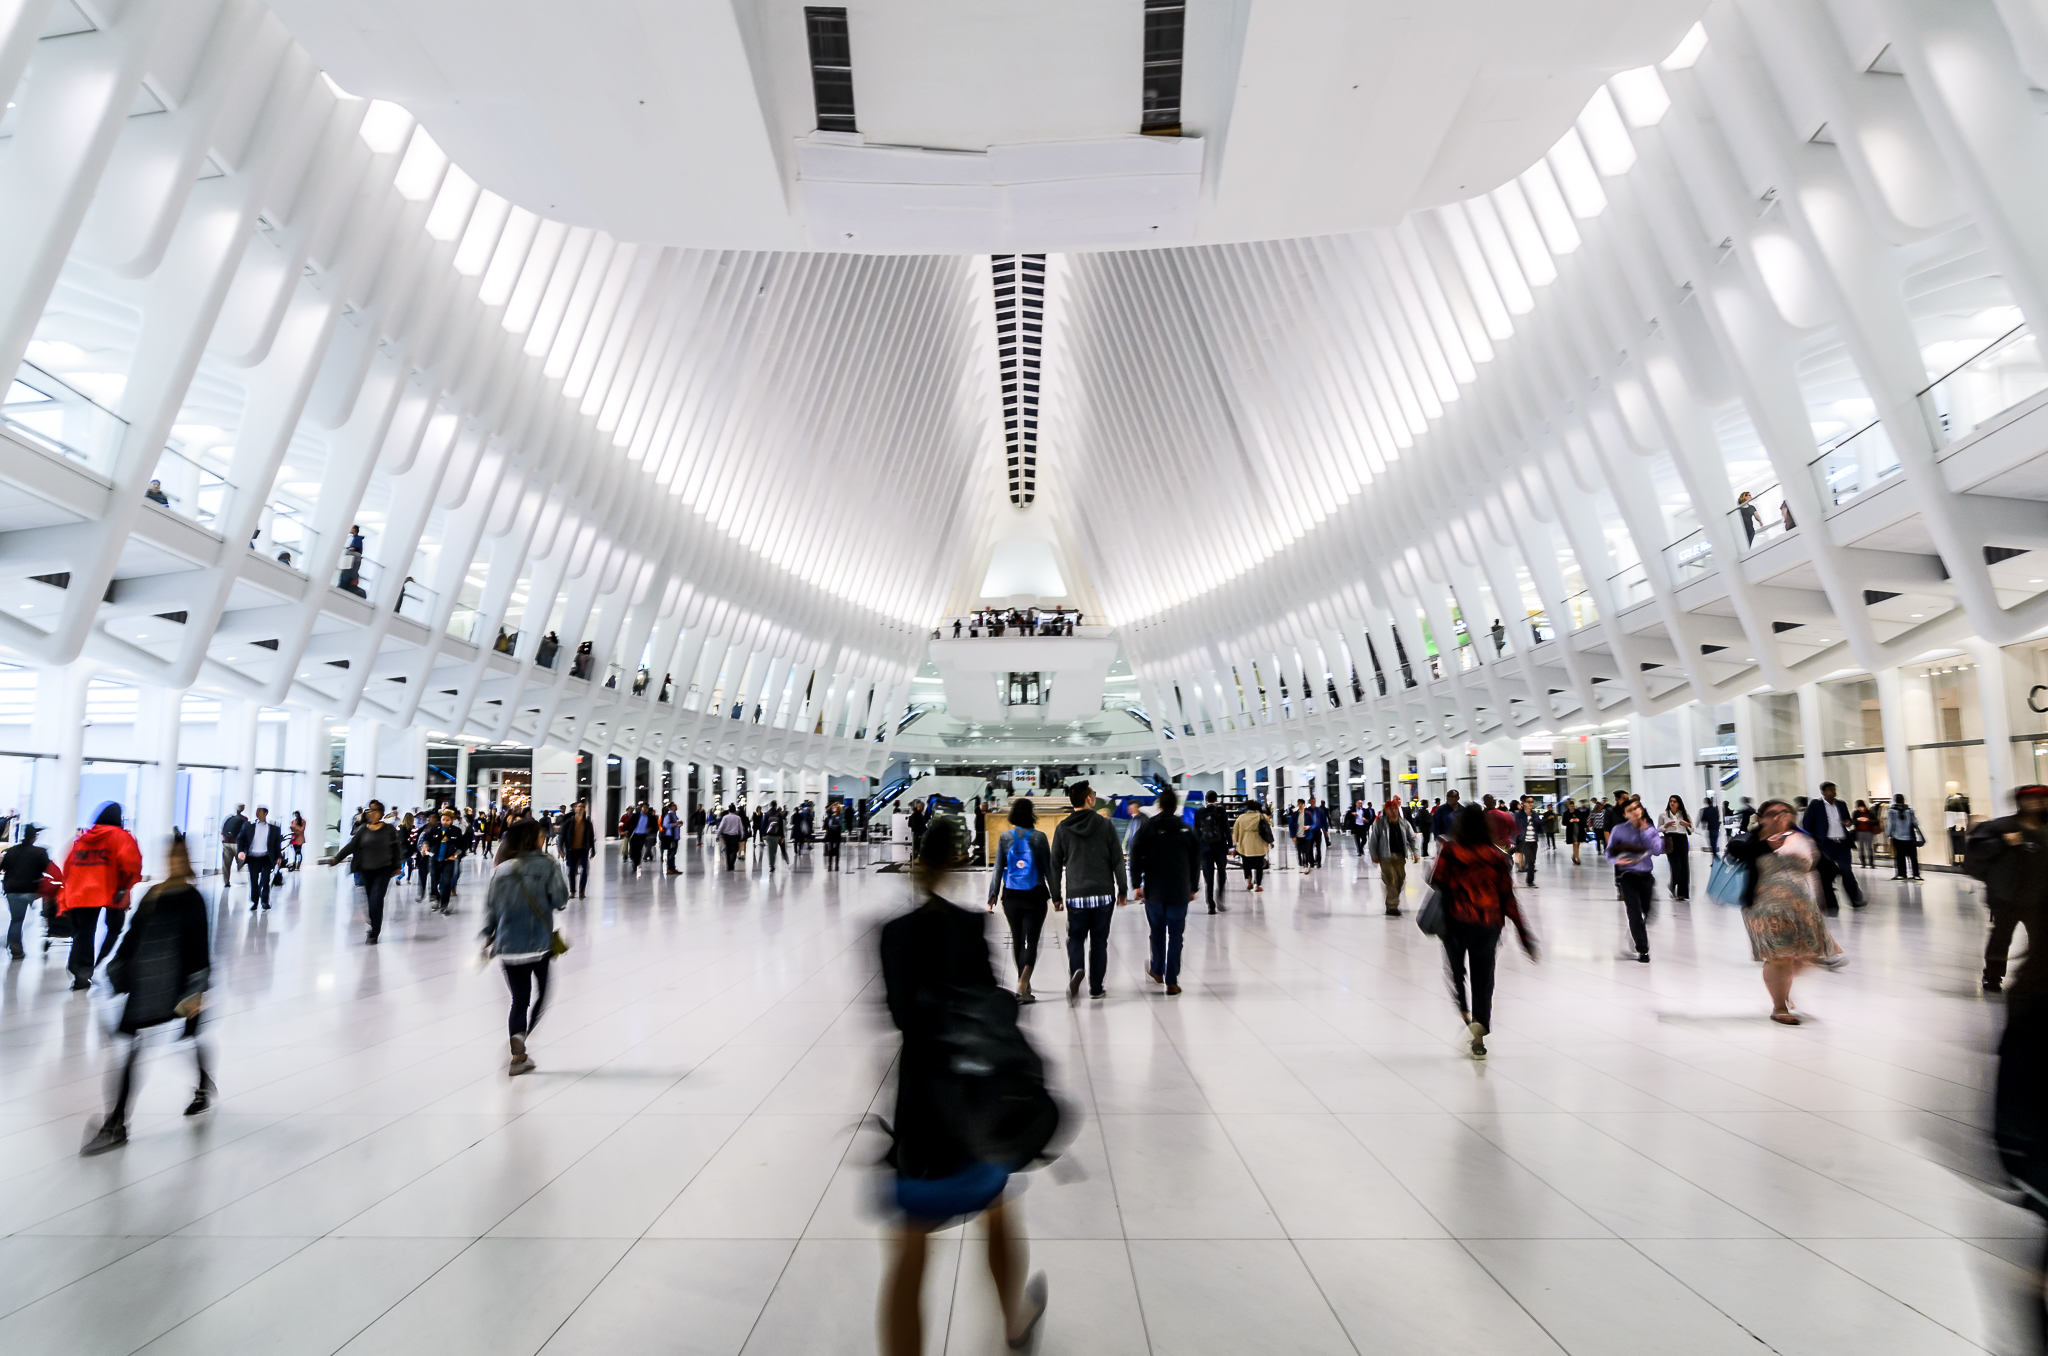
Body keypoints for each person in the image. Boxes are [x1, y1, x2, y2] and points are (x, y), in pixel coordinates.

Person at [878, 818, 1051, 1356]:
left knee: (911, 1244)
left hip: (921, 1106)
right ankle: (1014, 1321)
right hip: (975, 1102)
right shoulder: (969, 928)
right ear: (957, 861)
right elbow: (991, 1009)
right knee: (997, 1209)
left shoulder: (894, 934)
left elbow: (901, 1015)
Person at [80, 831, 213, 1155]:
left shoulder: (192, 898)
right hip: (146, 984)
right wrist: (117, 968)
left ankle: (201, 1088)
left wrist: (197, 989)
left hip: (178, 984)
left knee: (188, 1039)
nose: (175, 862)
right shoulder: (154, 893)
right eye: (171, 857)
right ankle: (117, 1122)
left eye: (180, 857)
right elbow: (132, 935)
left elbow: (199, 948)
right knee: (133, 1050)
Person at [1430, 805, 1538, 1059]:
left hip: (1456, 922)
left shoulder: (1451, 850)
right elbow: (1507, 897)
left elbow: (1437, 880)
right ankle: (1479, 1033)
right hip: (1488, 924)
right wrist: (1524, 934)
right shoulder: (1496, 856)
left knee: (1457, 971)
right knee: (1484, 978)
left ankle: (1464, 1012)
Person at [1726, 798, 1841, 1023]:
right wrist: (1766, 845)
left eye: (1784, 812)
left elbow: (1826, 867)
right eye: (1772, 813)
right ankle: (1779, 1007)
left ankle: (1782, 988)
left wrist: (1830, 895)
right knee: (1780, 957)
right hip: (1763, 906)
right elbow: (1735, 851)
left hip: (1801, 906)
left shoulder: (1802, 838)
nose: (1779, 816)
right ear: (1760, 818)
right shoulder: (1752, 839)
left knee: (1806, 955)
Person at [480, 819, 569, 1075]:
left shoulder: (502, 869)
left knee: (519, 1000)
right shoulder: (547, 864)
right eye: (540, 836)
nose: (543, 839)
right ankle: (522, 1035)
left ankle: (518, 1055)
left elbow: (492, 909)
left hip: (508, 945)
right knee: (543, 993)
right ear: (532, 838)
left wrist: (488, 934)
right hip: (538, 944)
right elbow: (561, 900)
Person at [1049, 781, 1129, 1000]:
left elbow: (1055, 864)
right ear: (1089, 800)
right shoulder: (1105, 825)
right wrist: (1122, 888)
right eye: (1093, 795)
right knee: (1099, 942)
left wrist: (1055, 895)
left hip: (1077, 894)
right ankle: (1096, 988)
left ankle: (1077, 969)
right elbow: (1117, 860)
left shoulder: (1063, 828)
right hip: (1104, 894)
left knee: (1075, 937)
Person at [1968, 786, 2048, 995]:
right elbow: (1975, 855)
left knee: (2040, 940)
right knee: (2001, 937)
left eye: (2041, 799)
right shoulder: (2002, 826)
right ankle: (1993, 977)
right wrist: (2003, 842)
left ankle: (2036, 976)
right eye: (2030, 799)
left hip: (2040, 898)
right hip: (2008, 897)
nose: (2036, 803)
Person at [59, 802, 143, 990]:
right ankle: (98, 962)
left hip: (80, 892)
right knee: (114, 929)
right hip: (110, 890)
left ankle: (80, 971)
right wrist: (124, 886)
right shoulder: (121, 836)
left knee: (83, 933)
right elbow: (131, 864)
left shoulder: (84, 837)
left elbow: (67, 865)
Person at [1128, 786, 1201, 995]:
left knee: (1157, 931)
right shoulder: (1186, 830)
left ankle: (1157, 969)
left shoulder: (1148, 829)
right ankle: (1172, 980)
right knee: (1176, 934)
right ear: (1176, 807)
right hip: (1179, 891)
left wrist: (1136, 884)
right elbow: (1196, 861)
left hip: (1155, 891)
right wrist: (1193, 887)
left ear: (1159, 806)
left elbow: (1135, 854)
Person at [987, 798, 1053, 1002]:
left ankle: (1022, 982)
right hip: (1035, 893)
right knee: (1032, 940)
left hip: (1011, 895)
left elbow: (998, 868)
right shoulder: (1040, 838)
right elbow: (1048, 868)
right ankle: (1024, 981)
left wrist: (992, 896)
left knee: (1017, 939)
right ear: (1031, 814)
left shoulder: (1005, 837)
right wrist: (1057, 895)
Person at [327, 800, 404, 944]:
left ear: (380, 813)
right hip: (367, 869)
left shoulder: (388, 829)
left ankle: (375, 931)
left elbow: (396, 848)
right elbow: (351, 846)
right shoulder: (363, 829)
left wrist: (397, 866)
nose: (370, 814)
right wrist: (337, 858)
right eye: (369, 811)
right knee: (370, 900)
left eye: (374, 811)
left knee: (376, 898)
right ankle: (373, 923)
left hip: (384, 869)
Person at [1607, 799, 1665, 963]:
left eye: (1637, 808)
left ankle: (1637, 931)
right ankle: (1643, 949)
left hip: (1646, 876)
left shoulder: (1650, 829)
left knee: (1649, 912)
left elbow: (1657, 850)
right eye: (1631, 810)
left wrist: (1645, 832)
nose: (1635, 811)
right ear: (1625, 814)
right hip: (1627, 877)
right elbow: (1609, 853)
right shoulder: (1618, 830)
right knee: (1634, 913)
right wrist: (1618, 861)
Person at [1800, 781, 1864, 911]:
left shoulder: (1841, 804)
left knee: (1847, 872)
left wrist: (1848, 822)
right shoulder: (1815, 805)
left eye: (1834, 789)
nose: (1833, 792)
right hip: (1825, 844)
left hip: (1842, 844)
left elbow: (1848, 819)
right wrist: (1812, 842)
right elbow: (1807, 824)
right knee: (1827, 875)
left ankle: (1855, 899)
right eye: (1830, 790)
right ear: (1823, 792)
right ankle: (1829, 903)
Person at [2, 824, 51, 960]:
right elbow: (47, 869)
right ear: (34, 837)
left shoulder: (11, 851)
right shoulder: (40, 852)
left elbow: (4, 867)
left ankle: (15, 947)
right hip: (29, 890)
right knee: (18, 920)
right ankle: (16, 949)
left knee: (16, 920)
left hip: (11, 889)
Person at [1366, 797, 1411, 915]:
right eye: (1390, 809)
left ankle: (1393, 900)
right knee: (1391, 879)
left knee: (1400, 879)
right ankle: (1392, 906)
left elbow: (1411, 837)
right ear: (1386, 810)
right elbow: (1373, 839)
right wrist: (1374, 854)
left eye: (1395, 808)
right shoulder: (1380, 823)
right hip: (1385, 856)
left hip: (1400, 856)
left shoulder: (1403, 823)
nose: (1393, 811)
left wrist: (1416, 852)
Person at [419, 807, 467, 912]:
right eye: (443, 819)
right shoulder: (435, 829)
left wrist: (454, 855)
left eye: (447, 820)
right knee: (434, 880)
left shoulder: (456, 831)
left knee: (446, 882)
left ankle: (444, 904)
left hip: (448, 861)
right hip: (435, 859)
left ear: (452, 820)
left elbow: (461, 846)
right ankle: (436, 898)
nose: (444, 822)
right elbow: (427, 839)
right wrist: (425, 846)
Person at [235, 806, 282, 911]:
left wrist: (278, 857)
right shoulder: (248, 826)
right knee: (253, 881)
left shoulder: (273, 828)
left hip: (266, 857)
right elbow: (240, 839)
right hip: (253, 857)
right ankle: (254, 901)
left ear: (265, 813)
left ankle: (264, 901)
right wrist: (241, 851)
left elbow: (276, 844)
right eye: (256, 811)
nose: (257, 813)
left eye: (259, 811)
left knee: (265, 880)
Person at [1194, 793, 1232, 913]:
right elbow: (1227, 829)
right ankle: (1220, 897)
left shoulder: (1199, 812)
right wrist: (1230, 846)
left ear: (1206, 800)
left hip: (1205, 848)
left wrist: (1197, 848)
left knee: (1208, 876)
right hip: (1220, 847)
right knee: (1221, 872)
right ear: (1216, 799)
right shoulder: (1221, 811)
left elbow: (1196, 832)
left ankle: (1210, 904)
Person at [1233, 799, 1273, 892]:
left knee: (1247, 864)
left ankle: (1249, 881)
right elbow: (1270, 824)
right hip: (1259, 844)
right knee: (1259, 866)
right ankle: (1258, 885)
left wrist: (1235, 843)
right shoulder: (1261, 816)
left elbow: (1235, 831)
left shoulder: (1241, 818)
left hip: (1245, 845)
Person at [1659, 795, 1694, 901]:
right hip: (1670, 839)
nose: (1672, 803)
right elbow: (1658, 828)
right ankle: (1673, 884)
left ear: (1679, 803)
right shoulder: (1663, 815)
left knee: (1684, 866)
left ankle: (1682, 893)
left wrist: (1687, 824)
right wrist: (1666, 826)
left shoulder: (1684, 814)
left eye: (1674, 801)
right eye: (1671, 801)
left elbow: (1692, 829)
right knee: (1676, 866)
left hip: (1682, 839)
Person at [560, 800, 596, 898]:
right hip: (571, 850)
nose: (579, 808)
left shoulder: (588, 823)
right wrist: (560, 848)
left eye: (582, 807)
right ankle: (572, 891)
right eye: (578, 806)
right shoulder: (569, 822)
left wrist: (593, 849)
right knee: (571, 871)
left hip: (583, 849)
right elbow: (562, 835)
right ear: (575, 808)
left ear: (584, 810)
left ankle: (582, 890)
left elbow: (591, 837)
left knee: (585, 870)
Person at [1886, 793, 1924, 880]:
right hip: (1910, 837)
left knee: (1900, 856)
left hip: (1897, 837)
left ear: (1895, 800)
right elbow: (1916, 822)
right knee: (1913, 857)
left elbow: (1890, 824)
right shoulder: (1909, 810)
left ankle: (1901, 874)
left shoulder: (1891, 811)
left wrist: (1888, 834)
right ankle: (1916, 874)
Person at [219, 803, 247, 883]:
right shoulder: (244, 819)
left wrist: (223, 840)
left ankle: (226, 882)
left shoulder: (228, 818)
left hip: (226, 843)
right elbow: (246, 832)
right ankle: (240, 875)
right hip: (238, 844)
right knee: (241, 861)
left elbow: (221, 831)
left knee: (226, 864)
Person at [717, 804, 746, 870]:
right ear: (735, 810)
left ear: (729, 810)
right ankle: (731, 862)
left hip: (726, 836)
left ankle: (728, 866)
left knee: (728, 850)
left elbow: (721, 827)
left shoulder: (725, 817)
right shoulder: (738, 818)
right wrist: (742, 835)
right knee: (734, 850)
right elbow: (741, 828)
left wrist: (717, 835)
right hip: (735, 836)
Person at [762, 801, 788, 872]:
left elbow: (764, 825)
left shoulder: (767, 814)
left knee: (770, 851)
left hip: (769, 835)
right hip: (776, 835)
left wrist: (763, 834)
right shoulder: (779, 814)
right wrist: (782, 836)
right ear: (776, 805)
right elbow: (781, 826)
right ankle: (773, 864)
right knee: (774, 851)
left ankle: (771, 866)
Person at [1852, 799, 1878, 869]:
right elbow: (1853, 822)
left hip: (1869, 832)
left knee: (1869, 847)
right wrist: (1857, 820)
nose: (1860, 809)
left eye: (1861, 807)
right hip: (1859, 832)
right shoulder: (1856, 813)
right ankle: (1863, 863)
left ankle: (1871, 863)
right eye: (1859, 807)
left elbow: (1876, 821)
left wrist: (1867, 820)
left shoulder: (1870, 813)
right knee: (1861, 848)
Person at [660, 801, 682, 873]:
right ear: (671, 807)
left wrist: (678, 824)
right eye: (674, 805)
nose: (675, 806)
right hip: (671, 837)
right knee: (671, 853)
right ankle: (670, 868)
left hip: (675, 836)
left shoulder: (674, 815)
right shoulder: (669, 815)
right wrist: (675, 824)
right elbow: (665, 824)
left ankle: (672, 867)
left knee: (673, 852)